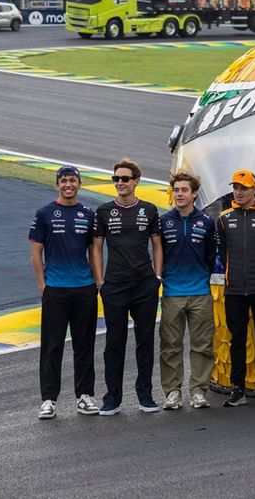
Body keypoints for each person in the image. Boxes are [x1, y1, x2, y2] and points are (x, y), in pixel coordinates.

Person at [92, 159, 163, 416]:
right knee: (114, 343)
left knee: (145, 341)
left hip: (144, 285)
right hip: (114, 286)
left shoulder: (149, 209)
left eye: (125, 178)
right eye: (116, 179)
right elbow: (96, 248)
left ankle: (145, 394)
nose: (120, 183)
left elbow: (157, 245)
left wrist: (157, 277)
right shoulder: (104, 211)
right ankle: (112, 398)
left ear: (136, 181)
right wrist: (100, 283)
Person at [29, 165, 99, 420]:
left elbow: (94, 251)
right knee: (52, 346)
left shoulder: (88, 214)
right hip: (55, 289)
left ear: (79, 183)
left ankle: (85, 396)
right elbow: (36, 252)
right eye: (64, 181)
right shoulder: (44, 213)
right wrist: (42, 285)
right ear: (57, 184)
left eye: (72, 180)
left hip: (84, 289)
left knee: (84, 345)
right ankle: (48, 400)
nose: (68, 184)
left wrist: (97, 283)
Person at [216, 169, 255, 407]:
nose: (238, 192)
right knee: (237, 340)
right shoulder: (223, 218)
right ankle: (238, 388)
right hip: (234, 290)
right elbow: (223, 252)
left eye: (243, 188)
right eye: (235, 188)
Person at [158, 171, 217, 411]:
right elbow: (158, 253)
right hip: (172, 292)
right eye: (176, 190)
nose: (180, 194)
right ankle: (172, 392)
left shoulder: (207, 222)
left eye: (184, 190)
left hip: (200, 292)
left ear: (194, 194)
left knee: (202, 345)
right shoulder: (163, 221)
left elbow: (211, 255)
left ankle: (198, 391)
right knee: (170, 345)